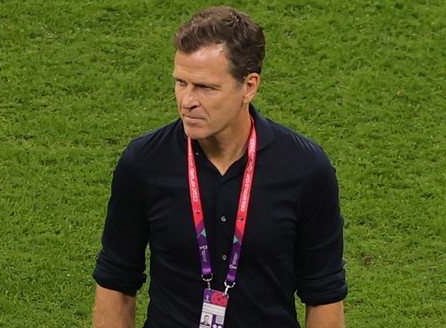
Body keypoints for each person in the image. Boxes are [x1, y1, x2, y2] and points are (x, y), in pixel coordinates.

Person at [93, 6, 347, 328]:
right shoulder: (143, 164)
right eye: (181, 83)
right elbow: (116, 280)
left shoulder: (305, 169)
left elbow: (324, 294)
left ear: (249, 86)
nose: (187, 101)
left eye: (205, 87)